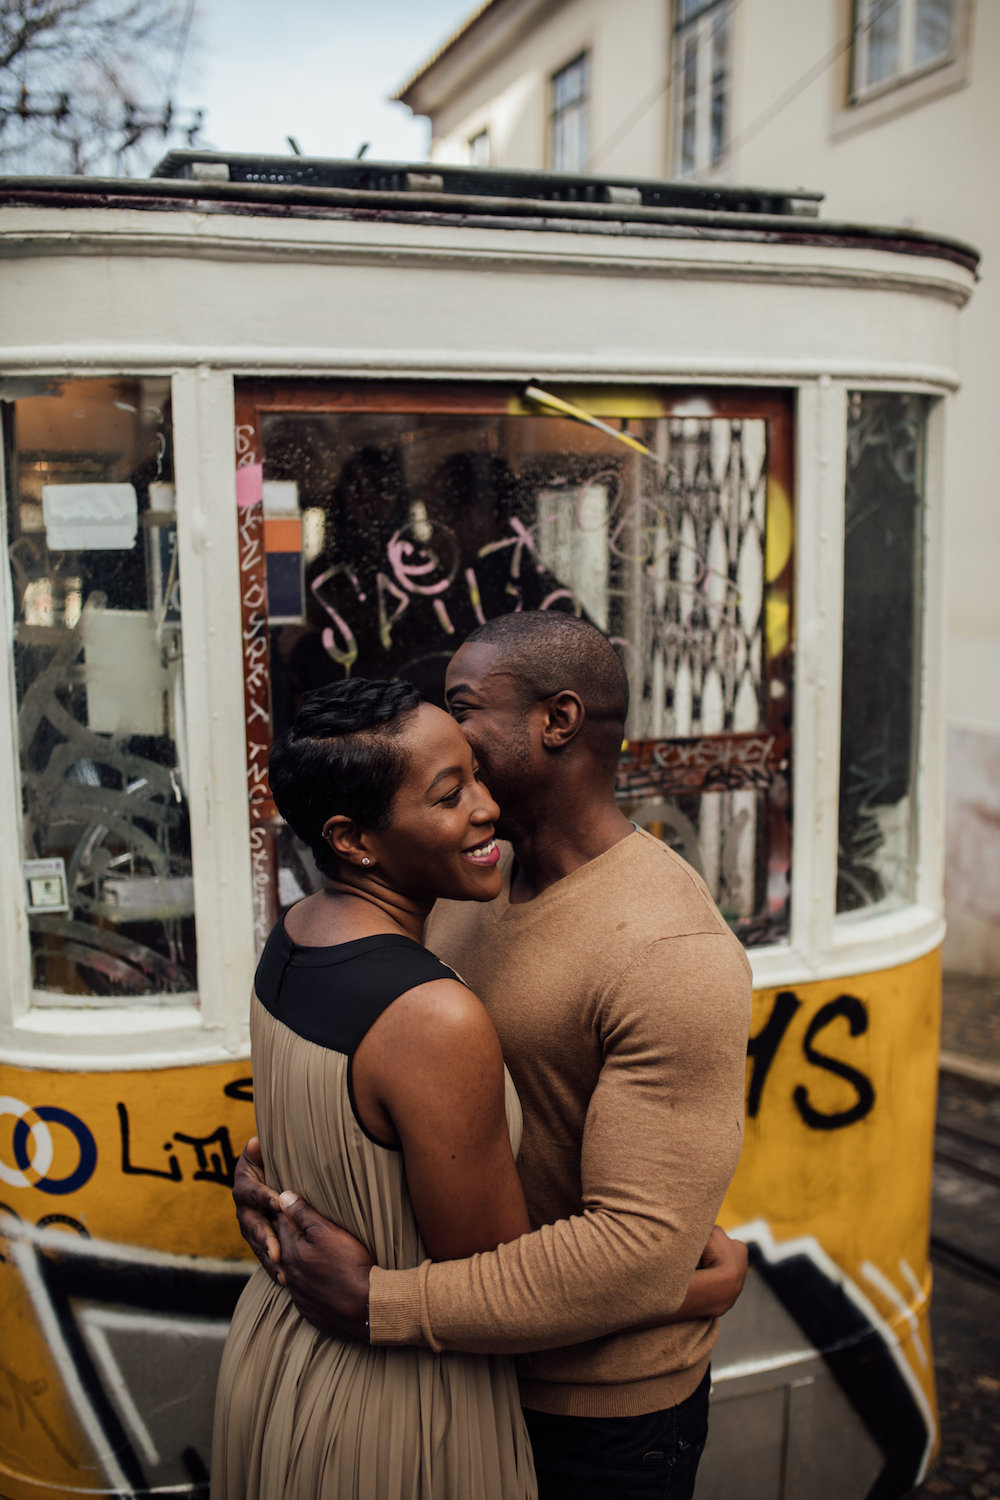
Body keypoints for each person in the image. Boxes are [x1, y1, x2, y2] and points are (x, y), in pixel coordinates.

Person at [235, 612, 753, 1500]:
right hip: (450, 1383)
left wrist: (380, 1304)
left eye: (464, 704)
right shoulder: (463, 878)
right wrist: (279, 1187)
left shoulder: (669, 949)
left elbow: (635, 1250)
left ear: (555, 722)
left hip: (592, 1418)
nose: (445, 721)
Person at [212, 678, 537, 1499]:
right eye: (449, 794)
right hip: (398, 1411)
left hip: (279, 1360)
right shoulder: (436, 1020)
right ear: (353, 840)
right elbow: (498, 1285)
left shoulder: (294, 935)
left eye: (476, 774)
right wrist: (676, 1286)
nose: (488, 806)